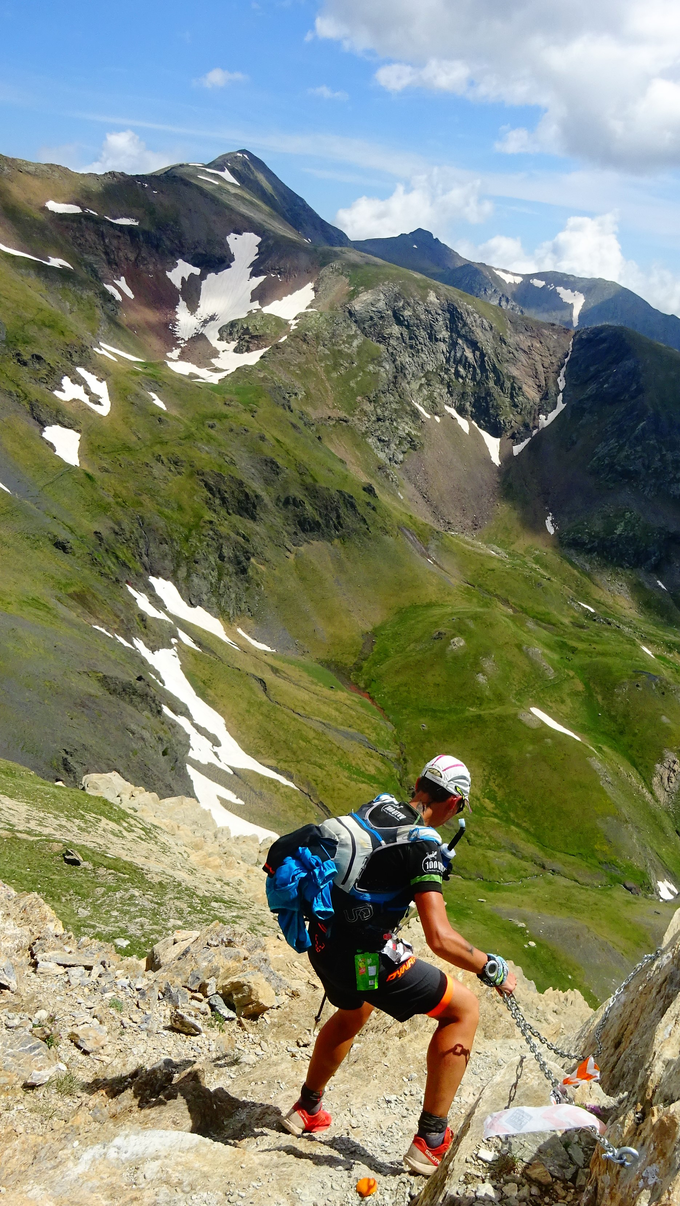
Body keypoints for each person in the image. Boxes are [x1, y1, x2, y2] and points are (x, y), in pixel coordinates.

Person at [280, 754, 516, 1176]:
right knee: (463, 1010)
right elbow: (440, 938)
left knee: (355, 1009)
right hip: (366, 958)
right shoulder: (424, 846)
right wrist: (489, 967)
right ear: (456, 805)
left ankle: (306, 1109)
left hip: (323, 944)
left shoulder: (379, 805)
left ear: (417, 785)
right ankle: (430, 1140)